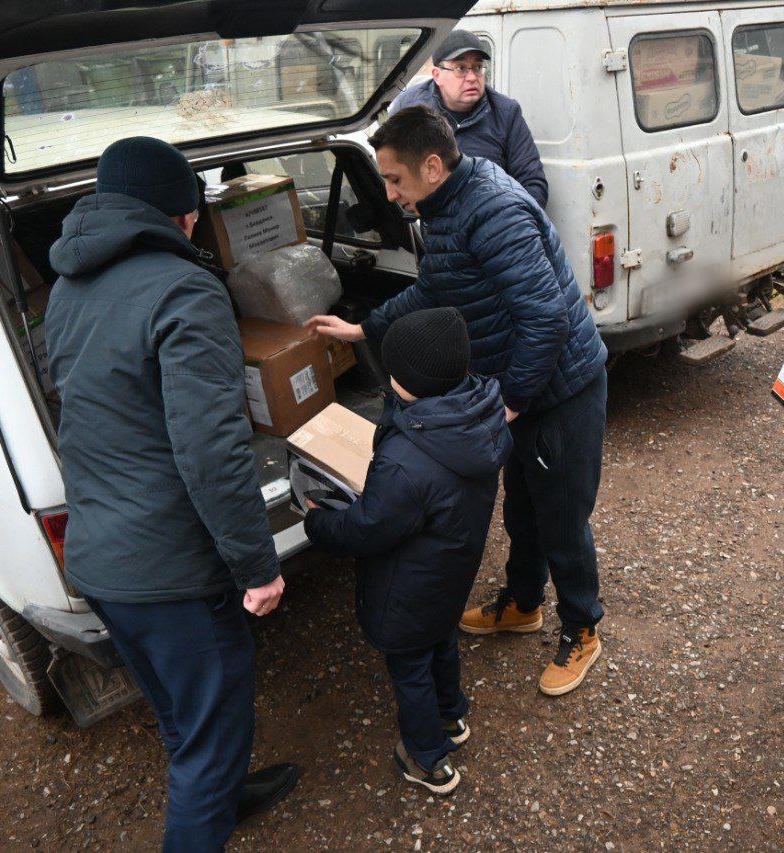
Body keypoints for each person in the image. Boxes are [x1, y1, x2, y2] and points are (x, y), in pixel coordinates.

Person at [44, 137, 298, 851]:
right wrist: (257, 564)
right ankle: (210, 798)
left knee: (183, 713)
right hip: (171, 572)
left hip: (100, 557)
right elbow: (211, 451)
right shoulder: (185, 289)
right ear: (184, 215)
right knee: (211, 728)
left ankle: (225, 789)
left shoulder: (67, 285)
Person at [307, 106, 610, 697]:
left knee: (561, 516)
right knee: (522, 506)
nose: (390, 194)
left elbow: (546, 319)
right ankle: (524, 604)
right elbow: (436, 286)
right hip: (520, 382)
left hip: (561, 387)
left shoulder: (493, 211)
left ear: (433, 166)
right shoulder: (445, 206)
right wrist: (365, 328)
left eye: (395, 180)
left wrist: (512, 405)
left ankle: (583, 627)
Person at [304, 308, 512, 795]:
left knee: (410, 665)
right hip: (448, 573)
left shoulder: (407, 464)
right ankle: (451, 715)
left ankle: (426, 757)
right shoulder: (479, 415)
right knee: (440, 639)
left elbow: (366, 528)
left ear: (409, 381)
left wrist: (318, 520)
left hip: (406, 588)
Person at [391, 30, 549, 207]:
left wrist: (509, 223)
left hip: (489, 221)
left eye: (478, 67)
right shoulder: (409, 107)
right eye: (460, 68)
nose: (472, 77)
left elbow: (532, 183)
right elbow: (391, 172)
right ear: (437, 75)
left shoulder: (506, 112)